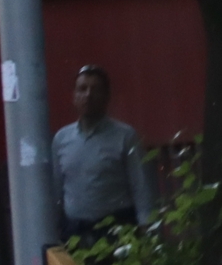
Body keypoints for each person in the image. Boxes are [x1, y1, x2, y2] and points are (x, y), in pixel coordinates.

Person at [50, 65, 154, 237]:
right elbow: (56, 189)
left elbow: (141, 187)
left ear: (106, 96)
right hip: (75, 233)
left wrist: (147, 229)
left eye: (95, 89)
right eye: (82, 89)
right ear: (74, 96)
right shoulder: (61, 139)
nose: (88, 95)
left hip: (116, 231)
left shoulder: (125, 136)